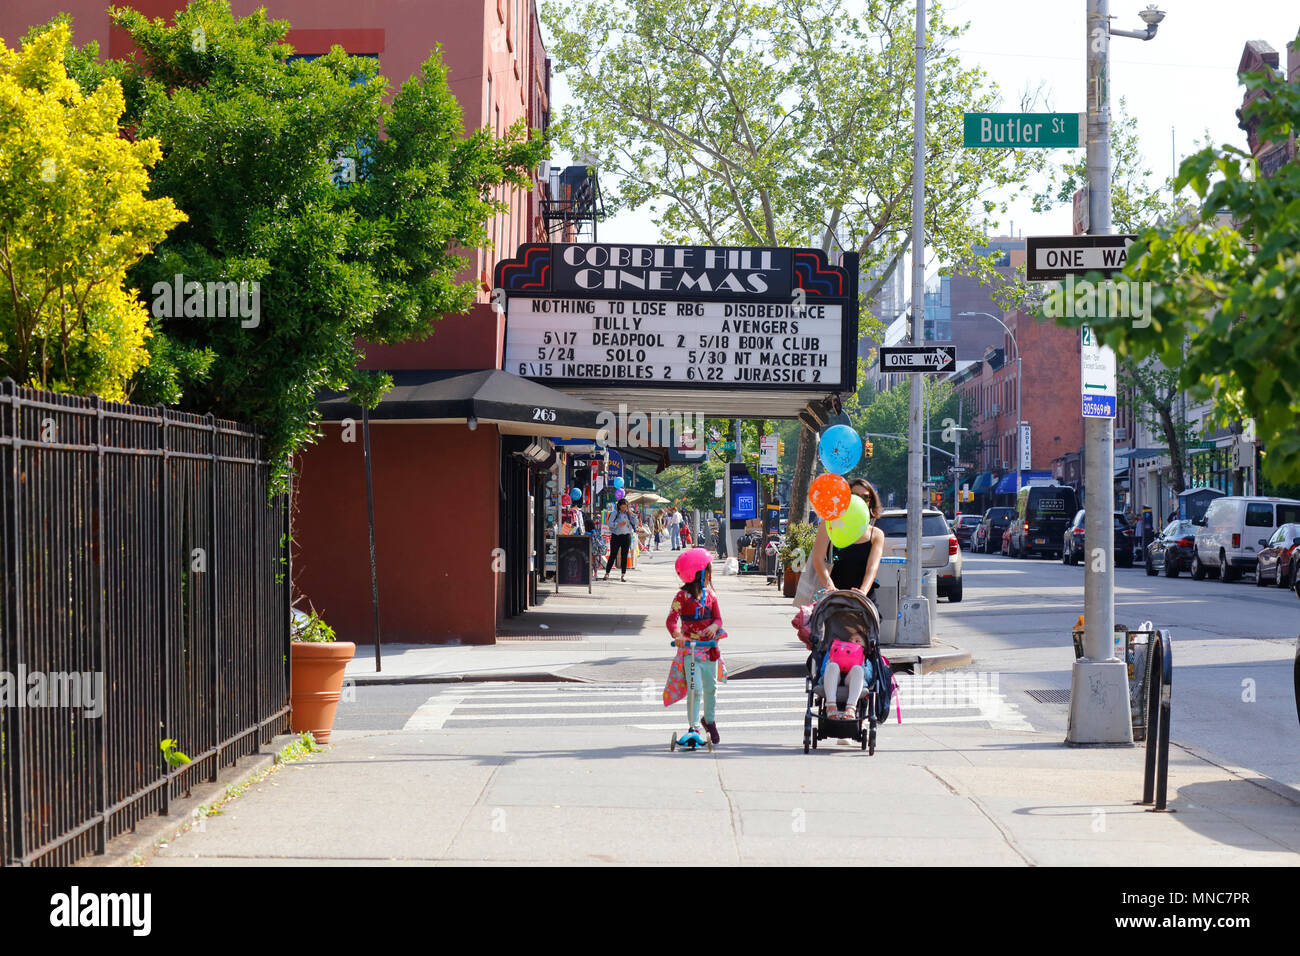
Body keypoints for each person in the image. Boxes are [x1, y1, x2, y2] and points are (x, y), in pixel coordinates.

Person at [664, 548, 727, 744]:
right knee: (695, 689)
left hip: (709, 649)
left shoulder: (711, 596)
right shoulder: (681, 597)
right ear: (698, 573)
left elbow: (718, 617)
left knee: (711, 688)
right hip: (690, 650)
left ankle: (710, 720)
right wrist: (677, 635)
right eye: (708, 570)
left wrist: (715, 626)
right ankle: (693, 726)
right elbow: (671, 620)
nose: (710, 574)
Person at [810, 477, 885, 596]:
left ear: (870, 501)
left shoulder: (876, 534)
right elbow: (817, 559)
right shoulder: (829, 524)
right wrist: (830, 587)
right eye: (855, 496)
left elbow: (872, 568)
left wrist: (863, 591)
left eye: (865, 497)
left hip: (863, 597)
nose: (860, 500)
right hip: (834, 595)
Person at [604, 499, 636, 581]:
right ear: (619, 506)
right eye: (622, 507)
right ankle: (607, 573)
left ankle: (623, 574)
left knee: (624, 555)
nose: (623, 509)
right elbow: (609, 523)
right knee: (613, 555)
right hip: (616, 536)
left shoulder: (628, 513)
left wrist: (632, 514)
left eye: (625, 507)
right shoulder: (615, 513)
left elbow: (635, 522)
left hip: (626, 536)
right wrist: (618, 524)